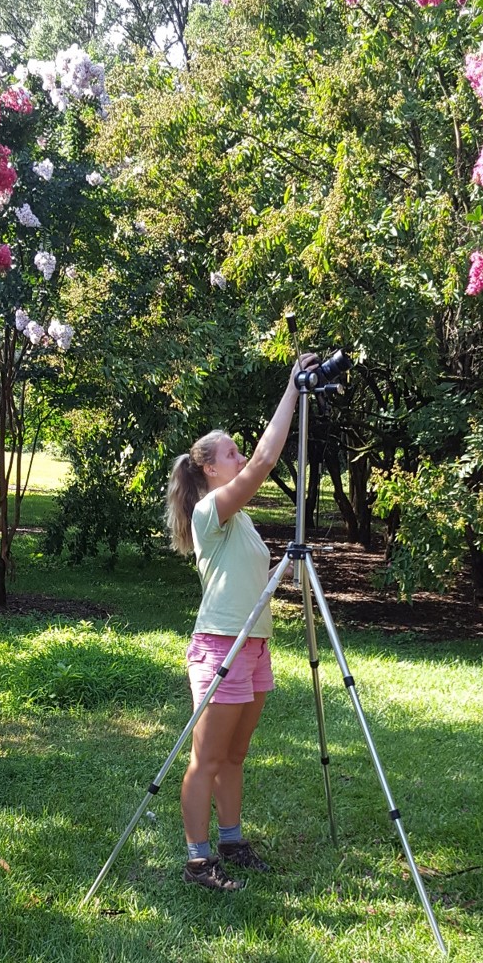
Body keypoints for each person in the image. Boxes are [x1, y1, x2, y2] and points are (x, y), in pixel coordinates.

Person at [165, 353, 318, 891]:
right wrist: (292, 390)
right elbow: (265, 461)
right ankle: (197, 860)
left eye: (237, 450)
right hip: (219, 648)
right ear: (210, 467)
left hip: (253, 647)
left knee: (235, 754)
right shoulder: (210, 513)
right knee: (206, 758)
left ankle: (231, 840)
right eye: (230, 451)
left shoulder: (241, 520)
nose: (240, 455)